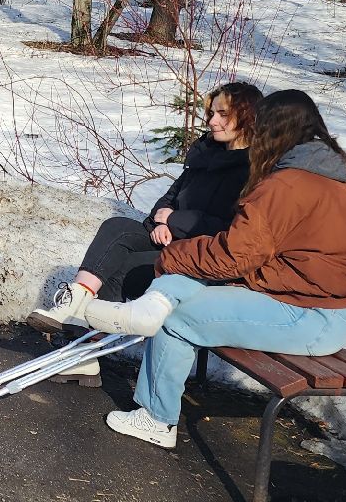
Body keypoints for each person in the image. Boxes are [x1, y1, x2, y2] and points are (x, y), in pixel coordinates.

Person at [73, 89, 346, 448]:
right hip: (313, 303)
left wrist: (171, 256)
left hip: (310, 317)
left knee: (178, 319)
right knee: (189, 284)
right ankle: (149, 306)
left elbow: (234, 256)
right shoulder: (337, 172)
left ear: (273, 131)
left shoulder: (287, 184)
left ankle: (155, 419)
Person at [27, 82, 263, 383]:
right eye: (211, 113)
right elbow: (166, 200)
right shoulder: (205, 154)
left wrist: (175, 220)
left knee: (120, 268)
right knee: (116, 228)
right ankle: (73, 307)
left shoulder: (254, 170)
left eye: (223, 114)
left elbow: (232, 231)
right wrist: (162, 223)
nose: (212, 121)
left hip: (201, 261)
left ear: (246, 116)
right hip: (169, 242)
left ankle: (83, 352)